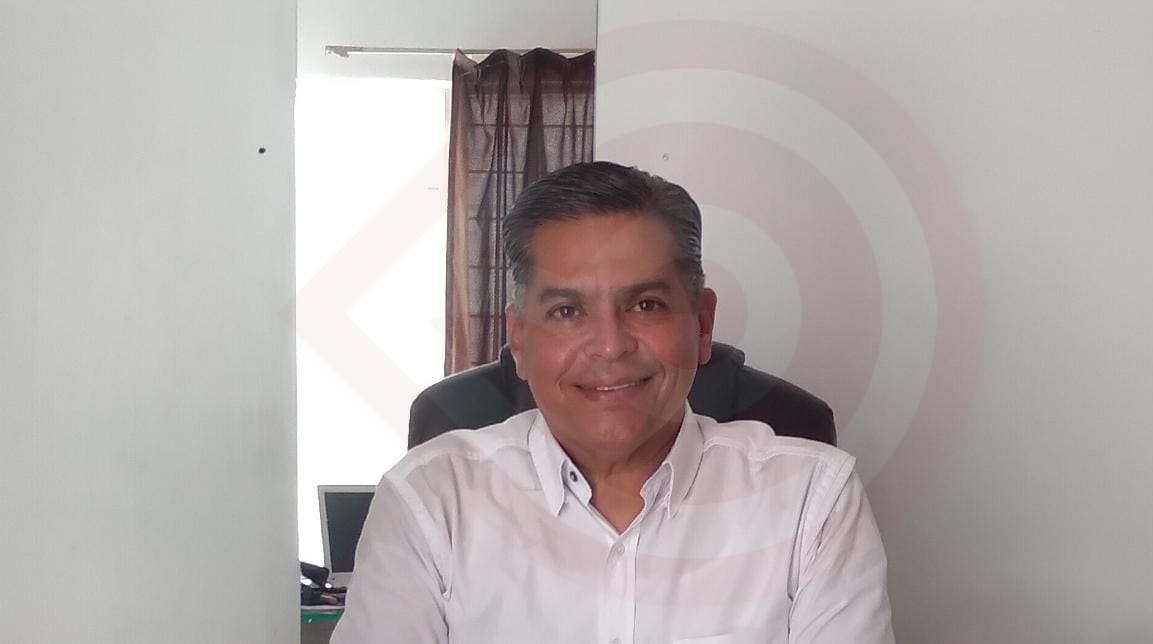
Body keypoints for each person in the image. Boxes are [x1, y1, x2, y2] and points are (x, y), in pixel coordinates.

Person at [331, 161, 894, 643]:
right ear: (520, 342)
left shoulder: (812, 501)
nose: (609, 345)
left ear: (702, 325)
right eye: (567, 311)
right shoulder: (431, 499)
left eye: (645, 305)